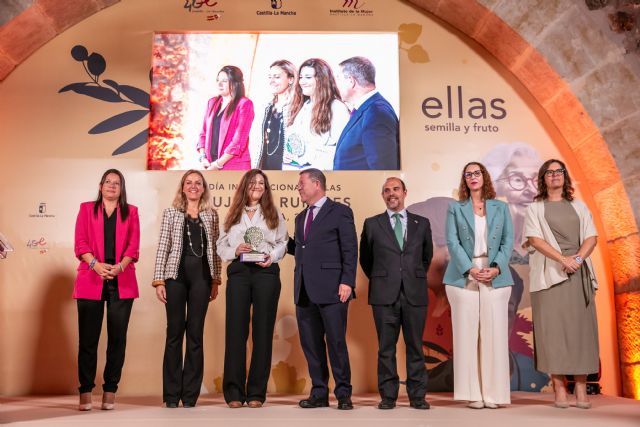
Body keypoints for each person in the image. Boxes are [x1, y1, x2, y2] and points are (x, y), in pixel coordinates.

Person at [524, 159, 599, 409]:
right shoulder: (535, 208)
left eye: (559, 171)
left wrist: (576, 259)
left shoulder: (579, 206)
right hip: (549, 275)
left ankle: (580, 386)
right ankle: (559, 387)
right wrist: (562, 259)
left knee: (580, 330)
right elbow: (534, 239)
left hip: (577, 271)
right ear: (543, 178)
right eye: (550, 172)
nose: (555, 175)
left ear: (565, 176)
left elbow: (591, 237)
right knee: (552, 332)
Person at [443, 162, 514, 409]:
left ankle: (494, 395)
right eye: (468, 174)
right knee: (466, 335)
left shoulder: (501, 208)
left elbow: (508, 242)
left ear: (484, 177)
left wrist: (495, 268)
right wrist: (470, 269)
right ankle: (473, 393)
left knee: (494, 335)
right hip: (463, 276)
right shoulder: (455, 208)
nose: (473, 177)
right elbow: (452, 242)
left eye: (477, 173)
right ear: (464, 180)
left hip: (496, 274)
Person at [216, 169, 288, 408]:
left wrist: (271, 256)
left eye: (261, 183)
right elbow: (220, 245)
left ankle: (256, 392)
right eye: (253, 182)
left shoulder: (273, 213)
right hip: (239, 273)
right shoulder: (233, 213)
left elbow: (283, 243)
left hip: (266, 273)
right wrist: (235, 251)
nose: (257, 186)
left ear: (266, 189)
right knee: (235, 331)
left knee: (263, 331)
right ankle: (234, 391)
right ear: (244, 186)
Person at [359, 178, 433, 410]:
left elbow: (426, 257)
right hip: (384, 295)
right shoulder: (372, 224)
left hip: (414, 293)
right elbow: (366, 260)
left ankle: (417, 396)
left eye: (396, 189)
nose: (392, 194)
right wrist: (384, 279)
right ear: (383, 195)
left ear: (405, 193)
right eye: (387, 190)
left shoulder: (422, 223)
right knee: (386, 348)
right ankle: (388, 396)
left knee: (415, 346)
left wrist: (409, 275)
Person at [152, 170, 222, 408]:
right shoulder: (171, 213)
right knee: (174, 334)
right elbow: (163, 246)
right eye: (189, 183)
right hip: (175, 277)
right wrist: (159, 280)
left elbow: (215, 250)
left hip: (202, 278)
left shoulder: (211, 215)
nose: (193, 186)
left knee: (195, 334)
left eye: (198, 183)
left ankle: (190, 395)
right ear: (182, 188)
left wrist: (216, 280)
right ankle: (171, 395)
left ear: (203, 188)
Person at [73, 169, 140, 411]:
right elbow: (80, 243)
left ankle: (110, 389)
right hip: (91, 277)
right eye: (108, 182)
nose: (112, 186)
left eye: (117, 183)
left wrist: (120, 267)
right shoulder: (86, 209)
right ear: (100, 186)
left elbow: (134, 246)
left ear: (121, 189)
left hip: (121, 280)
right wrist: (95, 265)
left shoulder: (131, 212)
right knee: (88, 340)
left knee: (117, 340)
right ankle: (85, 391)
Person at [292, 168, 357, 409]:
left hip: (333, 290)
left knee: (336, 343)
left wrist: (347, 281)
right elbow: (302, 250)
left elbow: (350, 249)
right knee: (311, 345)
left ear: (316, 184)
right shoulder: (300, 218)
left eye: (301, 183)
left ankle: (343, 394)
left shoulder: (340, 212)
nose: (298, 188)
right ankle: (319, 393)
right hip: (304, 291)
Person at [333, 56, 399, 170]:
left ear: (350, 81)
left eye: (338, 79)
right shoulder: (368, 109)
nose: (335, 85)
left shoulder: (377, 114)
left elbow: (382, 170)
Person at [284, 58, 350, 170]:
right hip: (295, 170)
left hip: (320, 174)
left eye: (308, 77)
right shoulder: (303, 106)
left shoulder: (337, 108)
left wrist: (309, 157)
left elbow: (343, 150)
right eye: (301, 77)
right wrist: (289, 154)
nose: (302, 82)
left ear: (321, 79)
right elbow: (295, 140)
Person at [197, 65, 255, 170]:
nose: (219, 84)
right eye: (218, 80)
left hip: (234, 166)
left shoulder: (245, 104)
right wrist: (203, 157)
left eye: (224, 81)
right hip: (210, 165)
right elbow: (203, 133)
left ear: (235, 83)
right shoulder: (212, 102)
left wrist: (218, 164)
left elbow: (238, 140)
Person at [255, 60, 297, 170]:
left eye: (277, 77)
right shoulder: (266, 107)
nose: (272, 81)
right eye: (270, 77)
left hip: (287, 169)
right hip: (264, 167)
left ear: (291, 79)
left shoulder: (298, 108)